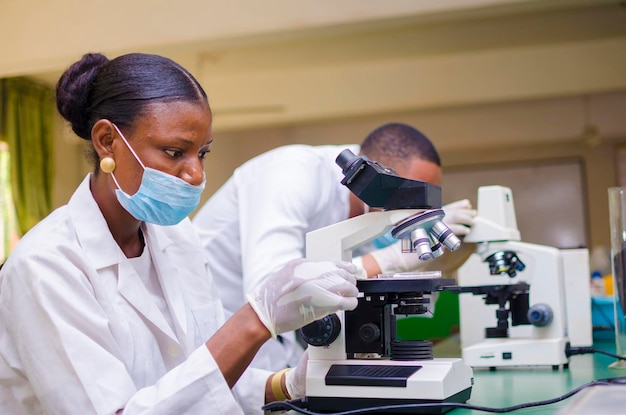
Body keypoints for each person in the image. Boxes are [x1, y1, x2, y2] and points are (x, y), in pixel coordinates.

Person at [0, 52, 361, 415]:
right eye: (175, 152)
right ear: (107, 141)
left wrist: (284, 384)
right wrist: (255, 320)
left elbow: (200, 373)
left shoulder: (176, 236)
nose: (195, 174)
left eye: (202, 153)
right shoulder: (46, 266)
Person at [192, 122, 477, 372]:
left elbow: (363, 283)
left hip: (275, 354)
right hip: (214, 341)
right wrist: (393, 258)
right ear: (379, 178)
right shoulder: (293, 173)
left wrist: (434, 263)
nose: (411, 211)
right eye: (408, 201)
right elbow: (274, 291)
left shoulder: (363, 211)